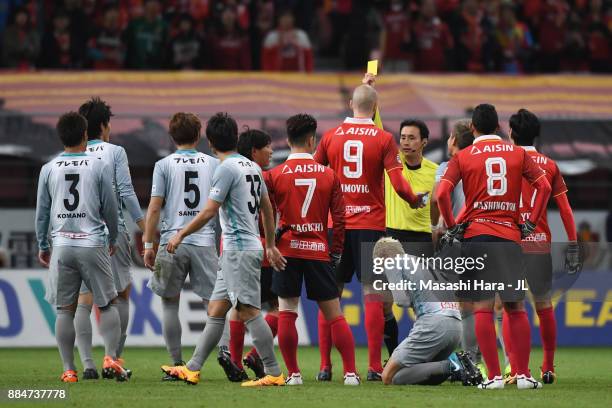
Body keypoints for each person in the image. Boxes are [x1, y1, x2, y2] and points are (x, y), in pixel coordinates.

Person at [160, 112, 286, 386]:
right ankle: (192, 368)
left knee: (250, 311)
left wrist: (181, 233)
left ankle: (274, 372)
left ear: (211, 142)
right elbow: (267, 206)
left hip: (239, 250)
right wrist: (271, 244)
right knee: (216, 310)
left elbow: (208, 212)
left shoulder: (226, 168)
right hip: (241, 248)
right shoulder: (252, 167)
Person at [314, 75, 425, 381]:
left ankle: (325, 366)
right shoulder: (383, 138)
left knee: (330, 296)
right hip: (369, 225)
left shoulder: (331, 136)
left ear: (351, 105)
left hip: (335, 226)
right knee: (373, 294)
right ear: (376, 106)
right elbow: (399, 183)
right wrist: (415, 199)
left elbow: (314, 172)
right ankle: (375, 366)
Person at [436, 103, 552, 390]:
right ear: (499, 127)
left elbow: (441, 193)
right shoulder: (517, 153)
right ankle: (524, 376)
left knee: (483, 309)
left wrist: (452, 226)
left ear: (473, 128)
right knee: (516, 308)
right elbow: (545, 187)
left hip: (477, 237)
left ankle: (495, 377)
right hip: (511, 236)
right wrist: (531, 222)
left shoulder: (463, 157)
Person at [36, 112, 128, 383]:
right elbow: (110, 206)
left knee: (66, 309)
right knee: (109, 303)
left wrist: (43, 244)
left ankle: (68, 370)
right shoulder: (98, 165)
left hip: (62, 244)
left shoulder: (48, 168)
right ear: (85, 135)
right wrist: (112, 237)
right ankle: (111, 358)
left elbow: (42, 212)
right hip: (92, 243)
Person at [267, 114, 358, 386]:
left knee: (287, 311)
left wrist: (270, 244)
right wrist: (337, 251)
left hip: (287, 251)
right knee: (334, 313)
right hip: (318, 249)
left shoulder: (274, 175)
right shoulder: (329, 175)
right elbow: (340, 220)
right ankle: (351, 374)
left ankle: (294, 374)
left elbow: (266, 214)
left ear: (287, 140)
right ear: (312, 140)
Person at [505, 108, 580, 385]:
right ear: (536, 134)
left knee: (511, 306)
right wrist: (572, 245)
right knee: (544, 305)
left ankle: (515, 368)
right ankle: (548, 366)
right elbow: (566, 210)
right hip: (538, 242)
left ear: (511, 132)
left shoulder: (506, 160)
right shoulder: (549, 164)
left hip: (510, 240)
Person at [142, 112, 220, 382]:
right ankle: (226, 356)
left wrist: (148, 244)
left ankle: (176, 363)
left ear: (171, 136)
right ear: (198, 135)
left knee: (169, 305)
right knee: (216, 306)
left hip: (171, 242)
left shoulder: (163, 165)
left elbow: (154, 208)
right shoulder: (213, 164)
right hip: (204, 241)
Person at [72, 97, 144, 380]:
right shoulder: (115, 152)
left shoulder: (70, 154)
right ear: (104, 125)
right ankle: (112, 357)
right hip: (110, 232)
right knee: (120, 293)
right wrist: (143, 225)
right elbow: (125, 193)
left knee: (83, 299)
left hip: (75, 232)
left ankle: (87, 364)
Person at [375, 237, 481, 386]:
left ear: (383, 258)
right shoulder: (422, 262)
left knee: (387, 376)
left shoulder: (392, 261)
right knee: (399, 377)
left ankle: (454, 363)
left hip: (434, 325)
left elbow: (401, 301)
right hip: (455, 326)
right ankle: (454, 367)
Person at [225, 129, 278, 381]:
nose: (271, 151)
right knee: (279, 307)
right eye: (267, 146)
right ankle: (260, 357)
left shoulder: (235, 172)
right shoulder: (263, 175)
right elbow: (271, 211)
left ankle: (235, 362)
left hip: (237, 248)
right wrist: (273, 242)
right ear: (254, 151)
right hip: (263, 248)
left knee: (239, 305)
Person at [430, 119, 483, 373]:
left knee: (452, 304)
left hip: (453, 238)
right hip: (480, 236)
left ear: (453, 140)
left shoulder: (448, 166)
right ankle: (475, 358)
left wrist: (438, 228)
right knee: (474, 302)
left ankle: (460, 360)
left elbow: (436, 197)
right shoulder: (480, 163)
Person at [123, 0, 168, 69]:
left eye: (156, 3)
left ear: (159, 7)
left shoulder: (164, 26)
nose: (153, 5)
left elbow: (166, 48)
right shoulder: (134, 24)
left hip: (156, 69)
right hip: (135, 68)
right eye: (150, 2)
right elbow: (126, 44)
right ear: (144, 6)